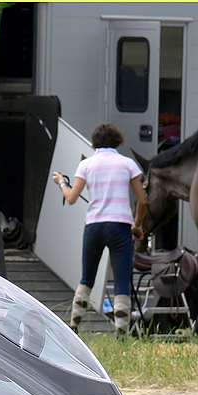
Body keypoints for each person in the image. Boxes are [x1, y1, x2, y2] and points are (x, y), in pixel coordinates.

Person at [52, 123, 147, 335]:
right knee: (121, 280)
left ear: (95, 141)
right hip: (120, 226)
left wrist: (61, 182)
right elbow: (142, 200)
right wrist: (137, 225)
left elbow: (72, 198)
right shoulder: (127, 164)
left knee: (87, 278)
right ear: (117, 140)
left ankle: (74, 326)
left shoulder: (87, 164)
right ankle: (121, 334)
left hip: (94, 226)